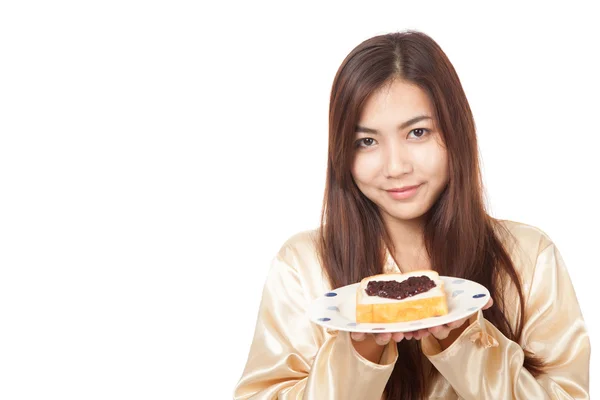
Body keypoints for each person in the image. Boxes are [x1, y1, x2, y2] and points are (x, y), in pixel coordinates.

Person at [232, 30, 590, 400]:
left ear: (456, 133)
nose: (395, 166)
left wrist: (462, 340)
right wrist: (358, 352)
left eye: (417, 132)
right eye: (366, 141)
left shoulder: (529, 257)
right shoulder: (302, 264)